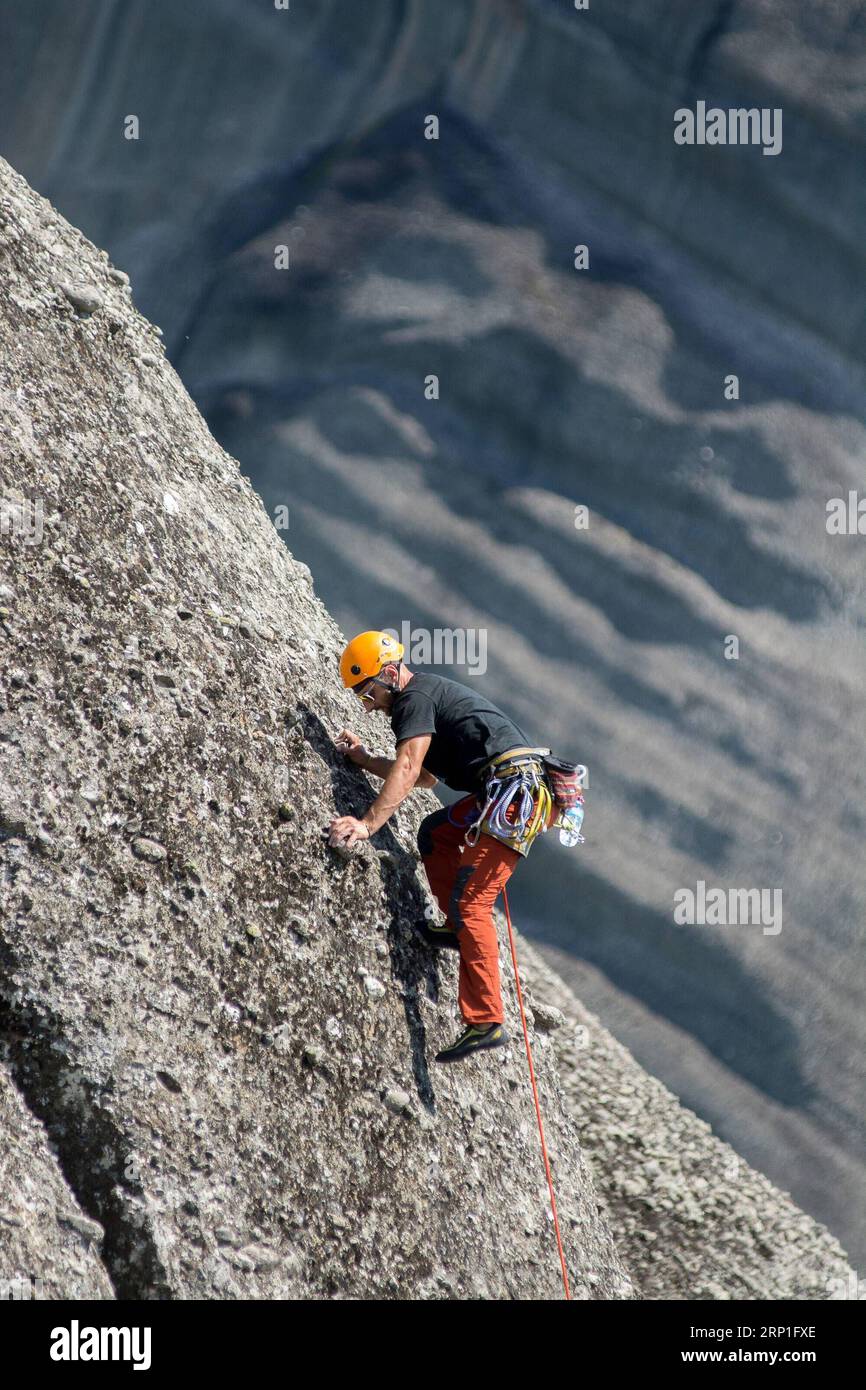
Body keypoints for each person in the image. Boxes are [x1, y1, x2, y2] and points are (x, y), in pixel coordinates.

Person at [328, 630, 559, 1064]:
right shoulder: (425, 699)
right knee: (436, 833)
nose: (368, 702)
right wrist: (362, 760)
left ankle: (486, 1019)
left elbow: (410, 765)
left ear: (392, 673)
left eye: (368, 689)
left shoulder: (413, 698)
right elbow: (423, 777)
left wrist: (367, 824)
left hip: (513, 796)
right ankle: (456, 928)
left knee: (474, 902)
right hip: (507, 791)